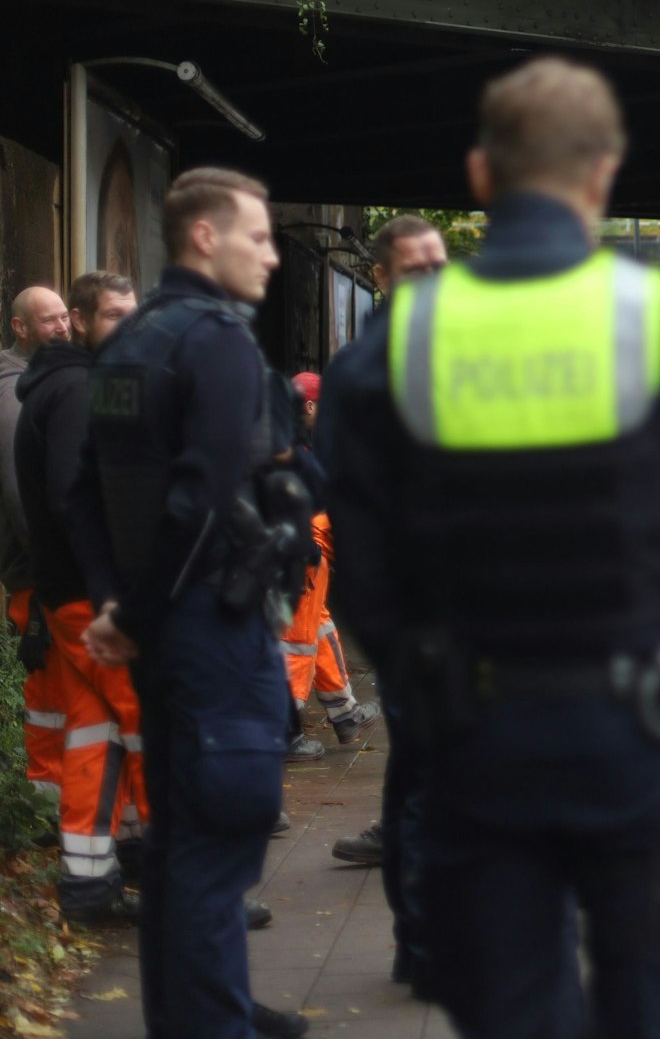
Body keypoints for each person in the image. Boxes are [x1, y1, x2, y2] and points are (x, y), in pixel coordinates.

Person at [324, 55, 660, 1038]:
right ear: (603, 174)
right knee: (656, 998)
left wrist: (418, 660)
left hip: (475, 739)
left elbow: (354, 552)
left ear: (481, 179)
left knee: (511, 1008)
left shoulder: (400, 342)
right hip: (641, 736)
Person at [71, 168, 309, 1039]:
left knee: (177, 853)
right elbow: (203, 495)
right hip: (213, 630)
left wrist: (116, 605)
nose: (273, 256)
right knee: (215, 848)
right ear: (204, 237)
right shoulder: (217, 342)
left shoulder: (128, 346)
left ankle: (202, 1016)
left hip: (165, 635)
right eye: (259, 236)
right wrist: (130, 613)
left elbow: (84, 495)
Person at [315, 214, 449, 990]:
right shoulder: (367, 370)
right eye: (416, 271)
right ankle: (428, 947)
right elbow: (352, 503)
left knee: (426, 772)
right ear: (381, 280)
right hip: (414, 612)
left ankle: (427, 935)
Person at [15, 272, 149, 922]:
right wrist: (113, 596)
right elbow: (83, 498)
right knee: (152, 725)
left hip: (69, 594)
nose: (130, 328)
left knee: (95, 731)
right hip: (94, 597)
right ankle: (185, 884)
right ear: (78, 319)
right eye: (116, 316)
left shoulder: (66, 385)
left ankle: (89, 882)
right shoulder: (76, 391)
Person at [279, 372, 379, 758]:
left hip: (308, 551)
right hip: (304, 553)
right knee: (297, 641)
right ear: (309, 405)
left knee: (317, 629)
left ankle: (344, 713)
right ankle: (285, 731)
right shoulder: (294, 447)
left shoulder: (295, 441)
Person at [2, 286, 72, 809]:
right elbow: (21, 494)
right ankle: (49, 806)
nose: (62, 328)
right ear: (19, 328)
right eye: (48, 321)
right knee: (51, 700)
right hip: (40, 579)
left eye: (65, 317)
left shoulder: (50, 381)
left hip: (49, 575)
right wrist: (51, 571)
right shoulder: (13, 394)